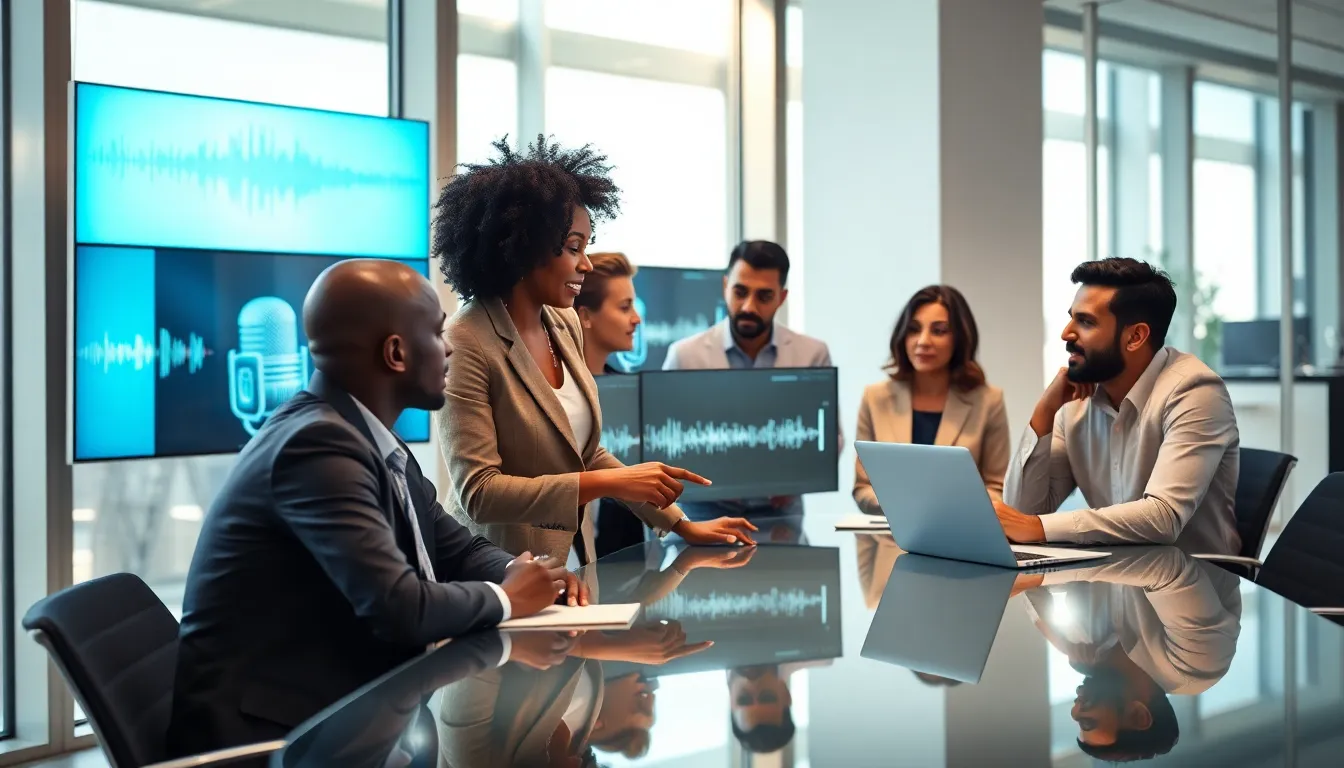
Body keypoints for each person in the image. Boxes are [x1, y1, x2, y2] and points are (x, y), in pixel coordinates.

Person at [167, 259, 584, 761]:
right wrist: (508, 598)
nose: (450, 347)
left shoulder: (365, 438)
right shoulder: (315, 447)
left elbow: (455, 548)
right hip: (272, 741)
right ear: (396, 353)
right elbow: (400, 608)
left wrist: (522, 570)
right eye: (437, 333)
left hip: (342, 713)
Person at [434, 136, 757, 565]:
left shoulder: (563, 323)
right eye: (574, 248)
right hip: (498, 570)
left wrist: (681, 525)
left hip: (570, 562)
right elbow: (480, 493)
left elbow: (584, 454)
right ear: (525, 247)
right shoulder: (466, 340)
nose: (585, 263)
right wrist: (608, 484)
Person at [998, 257, 1240, 554]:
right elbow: (1021, 515)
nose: (1066, 333)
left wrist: (1038, 527)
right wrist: (1044, 413)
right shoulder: (1075, 403)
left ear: (1135, 337)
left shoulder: (1196, 391)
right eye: (1072, 318)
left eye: (1086, 322)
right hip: (1114, 574)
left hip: (1194, 576)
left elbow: (1163, 517)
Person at [662, 240, 834, 523]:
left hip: (781, 515)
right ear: (725, 286)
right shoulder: (685, 355)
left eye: (764, 296)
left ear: (782, 297)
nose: (748, 307)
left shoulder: (812, 354)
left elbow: (828, 437)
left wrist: (798, 479)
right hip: (704, 513)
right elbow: (665, 440)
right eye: (740, 292)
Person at [1019, 547, 1243, 761]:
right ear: (1138, 715)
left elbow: (1027, 577)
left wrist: (1063, 643)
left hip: (1101, 522)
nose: (1074, 711)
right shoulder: (1196, 665)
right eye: (1087, 721)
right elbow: (1166, 565)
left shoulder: (1089, 643)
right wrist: (1069, 564)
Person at [853, 285, 1010, 517]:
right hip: (889, 534)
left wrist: (945, 507)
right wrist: (899, 504)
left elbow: (997, 487)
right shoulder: (875, 398)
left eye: (939, 331)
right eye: (914, 329)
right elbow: (862, 488)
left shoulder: (988, 401)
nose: (923, 341)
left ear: (960, 338)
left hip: (959, 532)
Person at [573, 251, 648, 558]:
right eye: (624, 307)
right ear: (585, 316)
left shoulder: (633, 392)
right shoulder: (557, 395)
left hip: (629, 561)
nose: (637, 318)